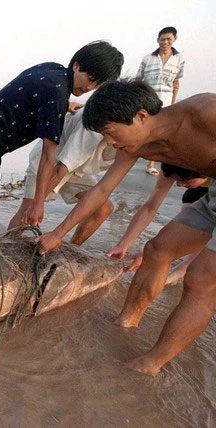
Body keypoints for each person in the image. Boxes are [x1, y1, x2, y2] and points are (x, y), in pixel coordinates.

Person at [36, 79, 216, 375]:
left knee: (200, 279)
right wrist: (58, 233)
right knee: (157, 249)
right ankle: (128, 320)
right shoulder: (136, 146)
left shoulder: (205, 113)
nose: (109, 142)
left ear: (141, 116)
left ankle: (151, 364)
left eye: (110, 132)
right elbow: (101, 191)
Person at [0, 41, 123, 236]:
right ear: (76, 65)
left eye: (96, 84)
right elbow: (49, 155)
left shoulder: (54, 72)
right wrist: (38, 204)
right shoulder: (57, 94)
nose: (89, 87)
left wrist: (64, 105)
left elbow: (30, 92)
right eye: (89, 78)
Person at [7, 108, 115, 244]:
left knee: (103, 208)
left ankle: (71, 250)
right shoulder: (94, 123)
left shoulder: (135, 138)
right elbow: (59, 169)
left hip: (78, 167)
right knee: (27, 211)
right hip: (49, 161)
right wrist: (38, 203)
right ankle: (3, 248)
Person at [136, 26, 185, 175]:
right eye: (162, 39)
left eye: (168, 39)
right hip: (147, 99)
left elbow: (176, 82)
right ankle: (132, 154)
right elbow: (139, 80)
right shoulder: (148, 58)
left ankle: (151, 164)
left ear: (174, 39)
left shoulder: (179, 59)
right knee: (141, 128)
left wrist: (173, 101)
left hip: (166, 99)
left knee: (158, 132)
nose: (165, 42)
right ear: (158, 40)